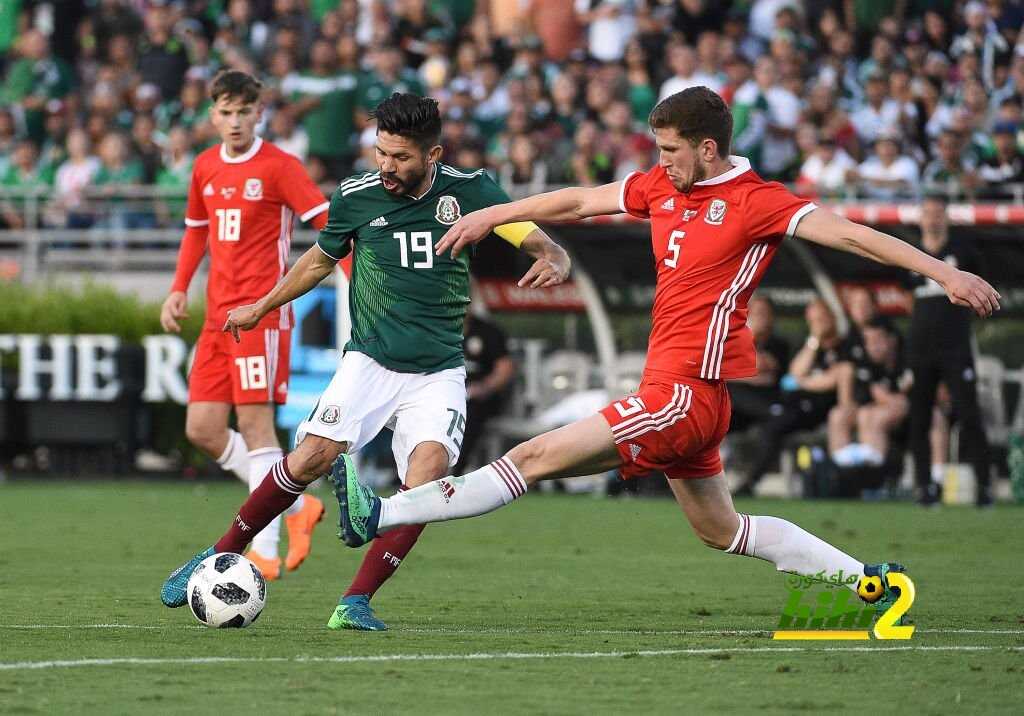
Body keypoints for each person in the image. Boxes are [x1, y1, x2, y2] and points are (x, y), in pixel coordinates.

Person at [331, 87, 999, 621]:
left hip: (684, 394)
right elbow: (580, 199)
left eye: (671, 149)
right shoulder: (661, 186)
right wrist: (491, 215)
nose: (662, 160)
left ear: (708, 148)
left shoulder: (756, 201)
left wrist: (944, 272)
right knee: (722, 531)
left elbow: (853, 236)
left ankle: (382, 512)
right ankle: (871, 584)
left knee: (530, 458)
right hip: (682, 397)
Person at [160, 93, 572, 631]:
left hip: (439, 370)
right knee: (311, 457)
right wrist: (262, 306)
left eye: (400, 157)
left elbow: (525, 229)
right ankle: (219, 552)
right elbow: (318, 261)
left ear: (432, 155)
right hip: (370, 360)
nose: (387, 166)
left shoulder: (471, 191)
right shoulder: (357, 195)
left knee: (428, 480)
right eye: (380, 153)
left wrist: (553, 253)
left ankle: (355, 601)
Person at [159, 70, 331, 581]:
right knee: (203, 428)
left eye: (243, 112)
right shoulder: (205, 166)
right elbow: (196, 232)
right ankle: (297, 506)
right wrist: (178, 288)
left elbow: (329, 225)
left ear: (259, 113)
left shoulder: (280, 166)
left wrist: (357, 279)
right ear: (213, 115)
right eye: (226, 112)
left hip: (260, 315)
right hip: (217, 318)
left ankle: (264, 548)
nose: (234, 122)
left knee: (256, 427)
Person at [906, 195, 993, 507]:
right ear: (920, 218)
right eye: (927, 213)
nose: (932, 219)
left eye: (937, 213)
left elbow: (981, 286)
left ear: (946, 217)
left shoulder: (963, 251)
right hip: (920, 350)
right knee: (919, 418)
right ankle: (924, 487)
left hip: (955, 348)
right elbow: (908, 297)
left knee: (969, 415)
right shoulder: (911, 254)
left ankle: (984, 486)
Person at [734, 298, 846, 497]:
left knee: (773, 424)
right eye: (814, 321)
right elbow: (795, 373)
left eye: (821, 319)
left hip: (808, 410)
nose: (818, 325)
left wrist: (803, 380)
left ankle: (749, 484)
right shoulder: (807, 344)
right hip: (756, 406)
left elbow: (814, 377)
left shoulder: (784, 345)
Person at [828, 316, 910, 469]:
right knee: (838, 414)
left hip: (905, 416)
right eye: (868, 341)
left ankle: (872, 470)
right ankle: (840, 469)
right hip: (871, 409)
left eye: (877, 340)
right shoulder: (863, 363)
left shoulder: (907, 360)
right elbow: (871, 395)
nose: (873, 346)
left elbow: (905, 399)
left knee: (869, 414)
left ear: (892, 340)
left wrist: (889, 399)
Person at [455, 310, 516, 474]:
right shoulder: (438, 330)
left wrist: (484, 387)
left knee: (470, 413)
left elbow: (505, 369)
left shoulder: (488, 331)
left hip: (481, 398)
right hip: (447, 394)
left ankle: (455, 469)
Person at [727, 294, 789, 433]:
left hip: (767, 398)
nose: (761, 318)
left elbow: (768, 372)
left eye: (765, 313)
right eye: (756, 313)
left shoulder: (779, 344)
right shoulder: (732, 341)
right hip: (736, 403)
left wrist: (737, 374)